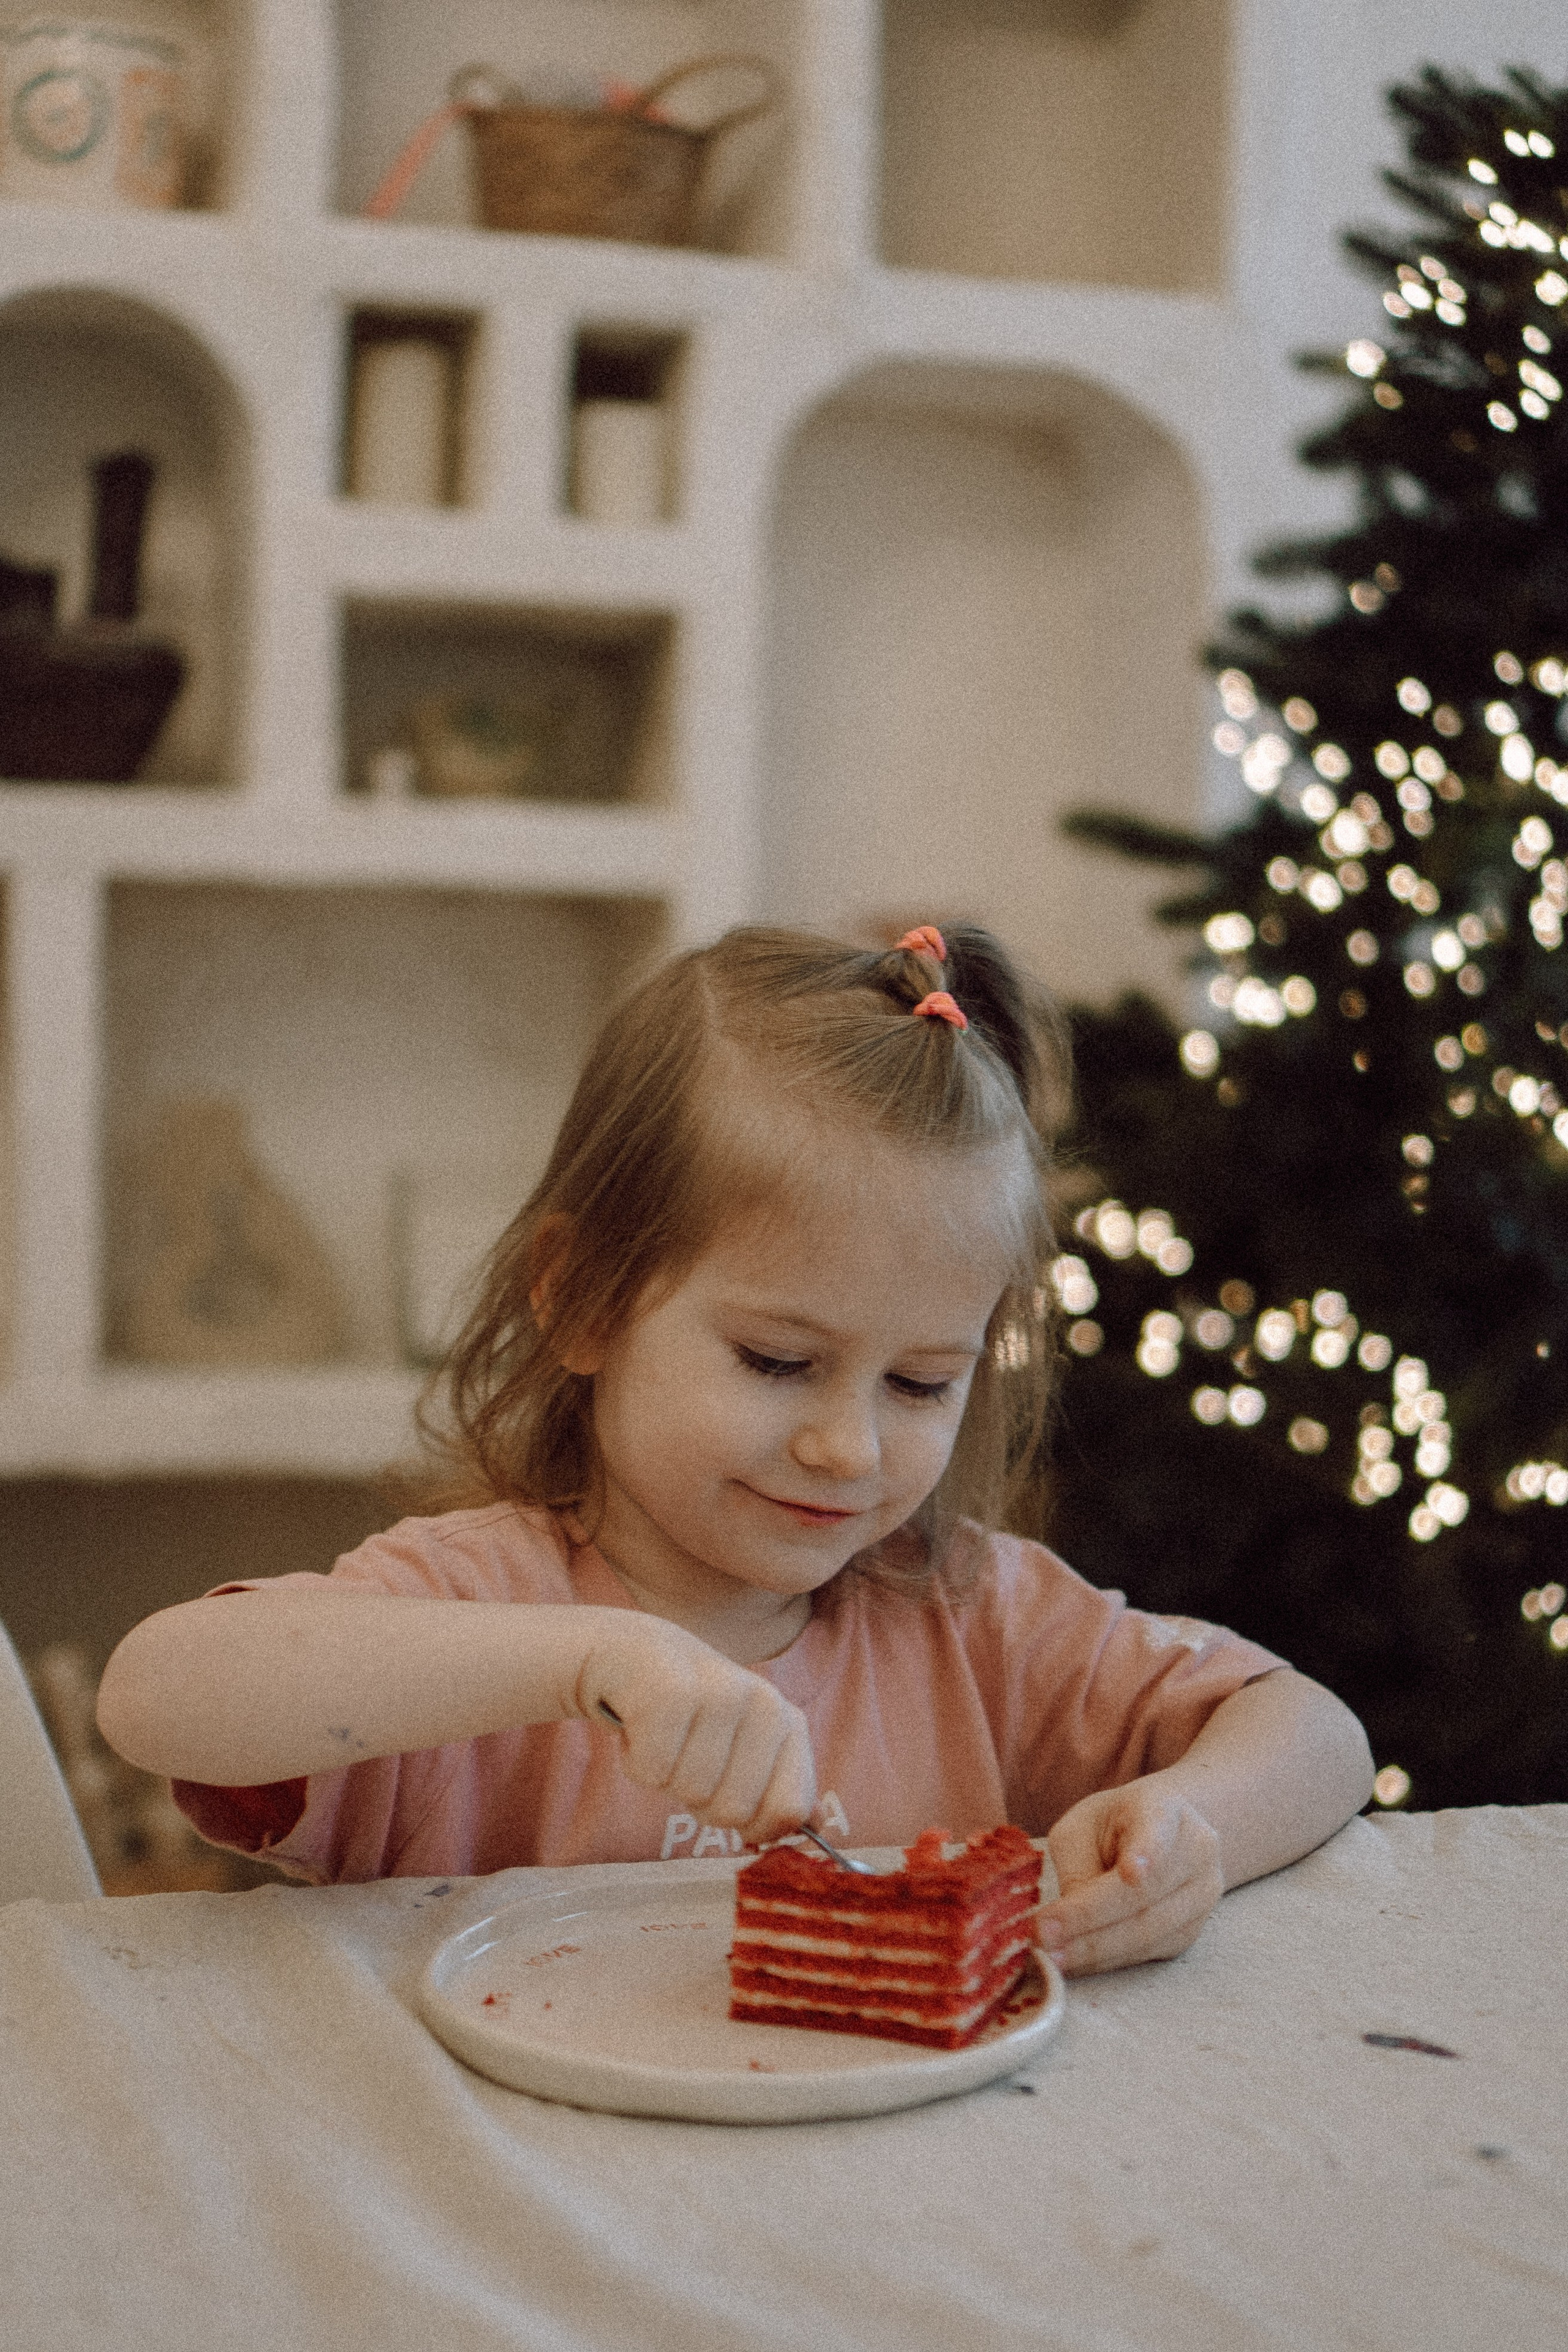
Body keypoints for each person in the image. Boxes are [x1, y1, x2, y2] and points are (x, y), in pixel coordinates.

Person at [97, 925, 1373, 1976]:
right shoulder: (483, 1606)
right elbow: (156, 1696)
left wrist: (1185, 1827)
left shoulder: (971, 1620)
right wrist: (592, 1662)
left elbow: (1312, 1733)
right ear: (584, 1296)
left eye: (922, 1382)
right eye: (776, 1362)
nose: (844, 1445)